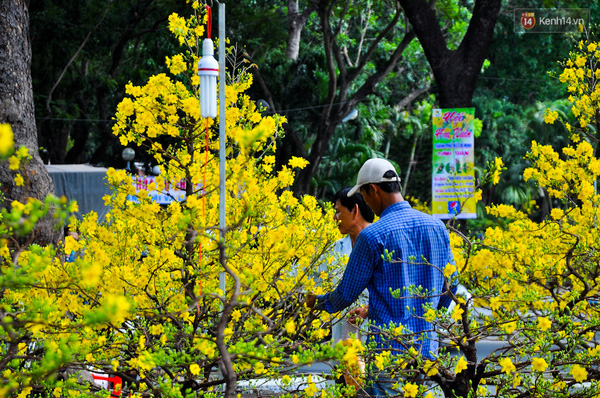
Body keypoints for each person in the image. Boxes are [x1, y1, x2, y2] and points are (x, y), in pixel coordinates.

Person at [307, 158, 457, 397]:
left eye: (364, 196)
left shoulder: (373, 236)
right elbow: (452, 285)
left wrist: (316, 302)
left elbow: (345, 294)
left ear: (374, 190)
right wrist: (428, 319)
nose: (365, 202)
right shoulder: (436, 227)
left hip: (389, 354)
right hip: (427, 352)